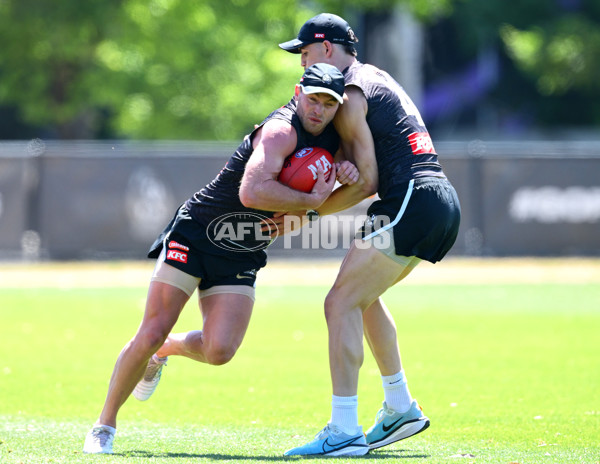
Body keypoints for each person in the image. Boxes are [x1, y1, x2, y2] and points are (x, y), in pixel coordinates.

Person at [82, 63, 360, 454]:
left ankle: (166, 352)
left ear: (338, 107)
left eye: (329, 103)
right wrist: (313, 203)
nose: (318, 109)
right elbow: (251, 192)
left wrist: (344, 169)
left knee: (219, 351)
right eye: (313, 98)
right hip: (197, 231)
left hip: (241, 245)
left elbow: (352, 174)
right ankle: (104, 425)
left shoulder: (335, 138)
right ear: (298, 92)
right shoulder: (280, 130)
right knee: (152, 329)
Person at [276, 13, 461, 457]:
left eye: (303, 53)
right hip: (432, 199)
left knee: (339, 302)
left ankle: (342, 429)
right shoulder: (370, 76)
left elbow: (366, 181)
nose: (302, 64)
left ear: (324, 48)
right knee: (361, 298)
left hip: (412, 200)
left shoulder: (352, 91)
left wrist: (306, 212)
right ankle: (400, 406)